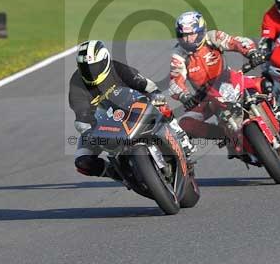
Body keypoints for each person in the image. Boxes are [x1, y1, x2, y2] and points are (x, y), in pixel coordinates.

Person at [68, 40, 194, 179]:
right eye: (85, 68)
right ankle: (118, 174)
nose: (90, 73)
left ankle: (178, 133)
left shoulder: (116, 67)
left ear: (105, 61)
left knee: (159, 100)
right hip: (102, 125)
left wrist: (155, 95)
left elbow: (145, 84)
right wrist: (88, 131)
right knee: (82, 161)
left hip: (131, 107)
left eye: (94, 67)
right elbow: (81, 114)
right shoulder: (77, 83)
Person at [169, 11, 264, 143]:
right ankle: (224, 135)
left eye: (191, 34)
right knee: (185, 124)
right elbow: (175, 80)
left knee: (263, 83)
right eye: (184, 35)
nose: (188, 39)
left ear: (201, 31)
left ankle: (277, 112)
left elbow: (236, 42)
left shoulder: (212, 37)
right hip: (206, 96)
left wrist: (252, 53)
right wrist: (184, 96)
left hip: (229, 79)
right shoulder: (178, 54)